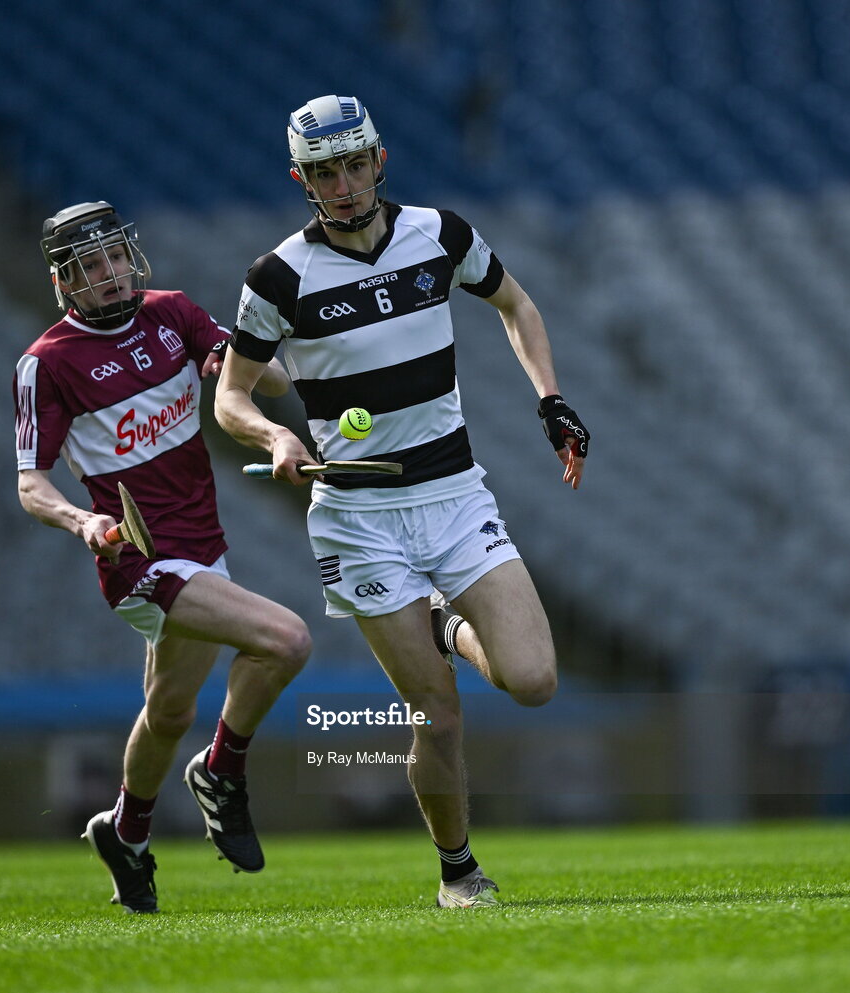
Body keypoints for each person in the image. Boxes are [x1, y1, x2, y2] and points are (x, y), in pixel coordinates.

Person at [214, 96, 590, 908]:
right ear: (301, 179)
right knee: (438, 714)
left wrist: (550, 400)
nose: (343, 184)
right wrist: (274, 438)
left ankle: (446, 622)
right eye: (324, 172)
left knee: (533, 680)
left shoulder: (439, 235)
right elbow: (232, 398)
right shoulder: (277, 276)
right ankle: (459, 870)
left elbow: (516, 305)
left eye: (354, 165)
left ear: (379, 160)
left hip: (455, 495)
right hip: (358, 517)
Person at [13, 201, 311, 914]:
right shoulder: (47, 363)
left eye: (116, 255)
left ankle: (127, 833)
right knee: (287, 640)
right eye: (90, 265)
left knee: (170, 709)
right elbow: (30, 481)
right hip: (138, 559)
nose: (110, 273)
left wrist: (246, 357)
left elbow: (258, 383)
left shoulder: (173, 312)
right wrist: (83, 520)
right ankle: (222, 772)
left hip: (205, 546)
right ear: (64, 281)